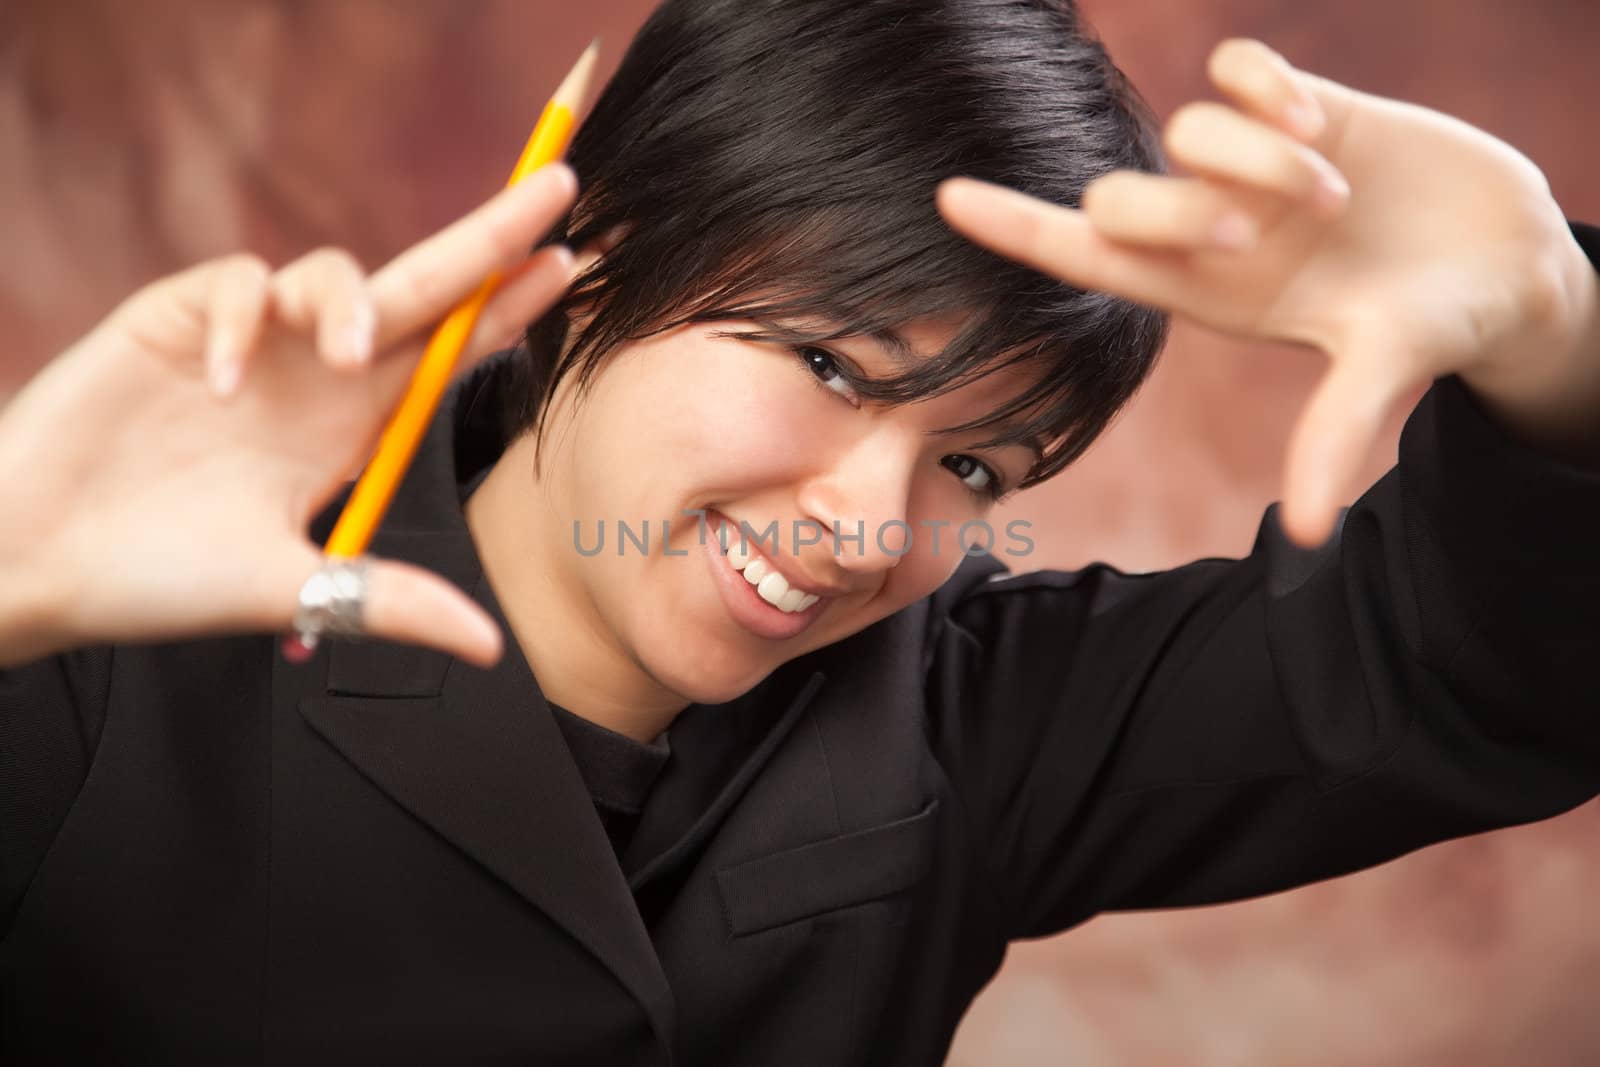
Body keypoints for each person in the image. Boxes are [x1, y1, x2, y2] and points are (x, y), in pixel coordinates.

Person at [1, 0, 1596, 1063]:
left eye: (978, 468)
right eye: (832, 366)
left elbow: (1460, 679)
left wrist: (1554, 328)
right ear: (606, 243)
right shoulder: (97, 629)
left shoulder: (968, 718)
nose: (863, 523)